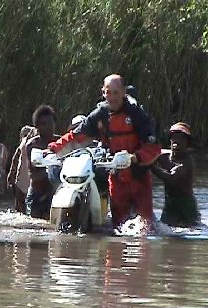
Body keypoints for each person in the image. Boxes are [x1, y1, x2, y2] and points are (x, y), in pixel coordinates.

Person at [48, 74, 161, 231]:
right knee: (119, 227)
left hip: (139, 176)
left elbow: (154, 147)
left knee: (145, 227)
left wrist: (135, 157)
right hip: (116, 176)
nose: (112, 97)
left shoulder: (137, 114)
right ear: (103, 93)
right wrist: (53, 148)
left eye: (116, 92)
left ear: (123, 92)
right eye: (109, 92)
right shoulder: (100, 114)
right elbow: (76, 135)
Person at [152, 122, 200, 227]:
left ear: (187, 143)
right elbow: (147, 155)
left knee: (191, 231)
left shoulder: (187, 161)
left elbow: (171, 179)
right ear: (170, 139)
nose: (177, 142)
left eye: (181, 139)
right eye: (174, 138)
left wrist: (151, 167)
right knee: (165, 232)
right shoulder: (163, 156)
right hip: (170, 203)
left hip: (186, 205)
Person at [25, 105, 60, 219]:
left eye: (51, 123)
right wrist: (52, 170)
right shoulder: (33, 145)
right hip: (37, 195)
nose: (49, 127)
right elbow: (33, 175)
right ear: (37, 127)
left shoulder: (60, 142)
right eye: (44, 124)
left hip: (55, 194)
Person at [7, 125, 36, 213]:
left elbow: (15, 161)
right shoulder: (36, 143)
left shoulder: (23, 144)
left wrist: (10, 176)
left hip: (21, 182)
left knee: (20, 209)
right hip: (30, 182)